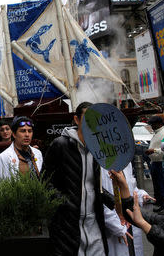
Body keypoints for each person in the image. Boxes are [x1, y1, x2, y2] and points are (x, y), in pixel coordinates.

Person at [43, 101, 108, 256]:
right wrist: (65, 203)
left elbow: (95, 185)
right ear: (77, 120)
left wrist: (115, 202)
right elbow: (45, 181)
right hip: (68, 222)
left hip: (93, 220)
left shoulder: (98, 147)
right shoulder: (60, 144)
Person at [101, 163, 152, 256]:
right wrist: (116, 226)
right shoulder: (99, 165)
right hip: (115, 225)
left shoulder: (126, 162)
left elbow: (132, 187)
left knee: (133, 250)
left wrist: (142, 196)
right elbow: (100, 199)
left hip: (130, 220)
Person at [0, 116, 42, 181]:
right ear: (14, 134)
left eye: (30, 131)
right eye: (23, 131)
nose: (27, 134)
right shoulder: (3, 157)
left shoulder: (37, 153)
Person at [145, 116, 164, 213]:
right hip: (155, 162)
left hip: (160, 163)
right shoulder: (157, 133)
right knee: (158, 185)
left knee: (163, 185)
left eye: (153, 124)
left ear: (159, 124)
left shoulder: (163, 133)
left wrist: (153, 150)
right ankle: (160, 203)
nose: (151, 126)